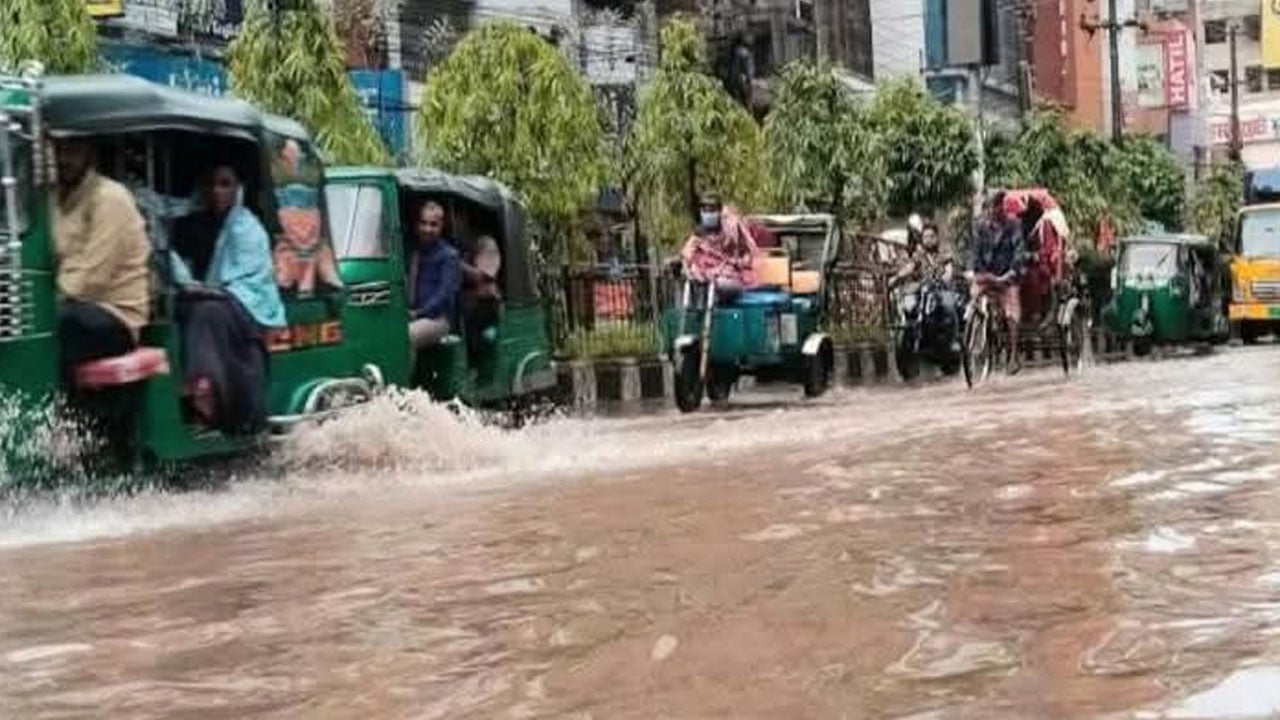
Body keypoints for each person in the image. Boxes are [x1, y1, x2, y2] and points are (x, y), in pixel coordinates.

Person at [52, 138, 151, 461]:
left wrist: (45, 305)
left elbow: (93, 276)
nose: (63, 158)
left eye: (72, 149)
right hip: (71, 306)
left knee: (55, 327)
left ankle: (71, 433)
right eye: (58, 150)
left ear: (89, 152)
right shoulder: (52, 200)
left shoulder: (110, 198)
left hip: (115, 316)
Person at [170, 165, 286, 433]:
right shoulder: (202, 224)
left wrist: (213, 292)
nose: (217, 191)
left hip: (252, 302)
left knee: (207, 312)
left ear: (238, 189)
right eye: (211, 185)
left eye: (225, 184)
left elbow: (248, 279)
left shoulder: (247, 228)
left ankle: (205, 389)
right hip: (223, 297)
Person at [970, 192, 1026, 374]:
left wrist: (1011, 272)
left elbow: (1019, 252)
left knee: (1011, 312)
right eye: (990, 206)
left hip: (1007, 277)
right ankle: (974, 333)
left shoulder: (1014, 225)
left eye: (996, 206)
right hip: (987, 276)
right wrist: (978, 271)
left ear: (1002, 206)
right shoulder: (981, 227)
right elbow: (975, 253)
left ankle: (1013, 356)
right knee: (972, 298)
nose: (993, 210)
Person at [680, 192, 759, 301]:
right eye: (705, 210)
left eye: (712, 210)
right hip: (705, 277)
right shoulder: (699, 234)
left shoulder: (732, 228)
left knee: (723, 284)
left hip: (731, 276)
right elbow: (686, 256)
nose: (708, 214)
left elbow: (749, 253)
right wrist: (689, 269)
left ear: (719, 211)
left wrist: (736, 263)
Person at [407, 201, 462, 351]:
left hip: (438, 319)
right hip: (411, 314)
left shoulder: (449, 255)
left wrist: (418, 313)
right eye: (423, 223)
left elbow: (445, 294)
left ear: (441, 226)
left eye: (433, 224)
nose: (427, 229)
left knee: (405, 336)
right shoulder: (413, 252)